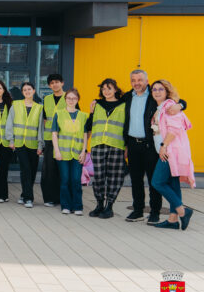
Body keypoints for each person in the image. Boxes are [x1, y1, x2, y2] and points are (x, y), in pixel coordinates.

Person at [122, 69, 186, 225]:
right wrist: (95, 102)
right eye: (133, 80)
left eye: (140, 80)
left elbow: (176, 100)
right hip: (132, 144)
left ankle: (155, 212)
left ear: (146, 81)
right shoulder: (128, 97)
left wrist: (181, 105)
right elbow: (110, 98)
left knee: (153, 181)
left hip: (150, 145)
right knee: (136, 180)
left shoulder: (154, 95)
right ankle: (138, 210)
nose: (136, 83)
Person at [149, 80, 195, 230]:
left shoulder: (169, 106)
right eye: (154, 89)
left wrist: (164, 146)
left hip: (170, 151)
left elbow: (174, 129)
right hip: (165, 150)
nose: (157, 92)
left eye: (160, 89)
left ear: (167, 91)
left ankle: (183, 211)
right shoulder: (160, 107)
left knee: (157, 182)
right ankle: (173, 220)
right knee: (173, 184)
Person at [87, 78, 127, 219]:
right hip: (98, 145)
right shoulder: (97, 104)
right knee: (98, 177)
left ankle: (109, 206)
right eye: (103, 89)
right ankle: (99, 204)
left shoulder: (124, 105)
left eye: (109, 88)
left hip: (116, 145)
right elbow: (89, 125)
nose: (106, 91)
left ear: (115, 89)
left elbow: (127, 127)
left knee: (114, 177)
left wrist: (127, 147)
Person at [5, 81, 44, 208]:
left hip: (33, 144)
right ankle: (28, 198)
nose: (27, 91)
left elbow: (40, 128)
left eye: (29, 89)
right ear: (22, 92)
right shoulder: (15, 104)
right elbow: (10, 122)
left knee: (32, 171)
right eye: (25, 90)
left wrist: (40, 145)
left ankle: (23, 194)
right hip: (19, 143)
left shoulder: (39, 107)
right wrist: (11, 140)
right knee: (25, 169)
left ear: (34, 91)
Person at [51, 89, 89, 215]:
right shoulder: (59, 114)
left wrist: (84, 151)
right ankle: (66, 206)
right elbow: (54, 134)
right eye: (69, 98)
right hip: (62, 153)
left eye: (74, 98)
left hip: (78, 154)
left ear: (78, 100)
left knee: (76, 180)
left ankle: (77, 206)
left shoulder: (83, 116)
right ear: (65, 99)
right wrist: (57, 151)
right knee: (65, 180)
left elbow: (85, 135)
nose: (71, 100)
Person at [41, 74, 67, 208]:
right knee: (49, 170)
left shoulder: (69, 97)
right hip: (49, 138)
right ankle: (49, 198)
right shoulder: (46, 99)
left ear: (62, 83)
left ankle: (62, 198)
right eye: (52, 83)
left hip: (65, 139)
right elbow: (45, 119)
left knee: (62, 169)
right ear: (49, 85)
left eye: (57, 82)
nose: (54, 85)